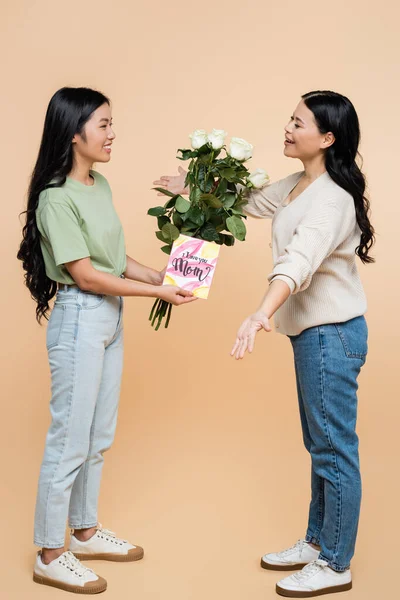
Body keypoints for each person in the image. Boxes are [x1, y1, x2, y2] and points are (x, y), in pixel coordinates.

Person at [153, 90, 375, 598]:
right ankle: (318, 543)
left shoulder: (332, 199)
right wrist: (188, 187)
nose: (288, 128)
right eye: (290, 119)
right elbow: (251, 203)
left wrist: (260, 312)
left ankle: (335, 563)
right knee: (320, 446)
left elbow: (298, 262)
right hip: (315, 337)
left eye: (298, 123)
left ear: (327, 138)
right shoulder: (299, 185)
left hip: (331, 335)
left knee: (335, 451)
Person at [17, 86, 197, 595]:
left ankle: (86, 532)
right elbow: (85, 275)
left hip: (111, 318)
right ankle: (51, 554)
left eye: (111, 123)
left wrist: (163, 275)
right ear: (74, 133)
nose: (112, 133)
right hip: (80, 318)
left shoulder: (100, 185)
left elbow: (115, 263)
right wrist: (155, 290)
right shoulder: (55, 198)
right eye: (103, 124)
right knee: (68, 441)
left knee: (98, 437)